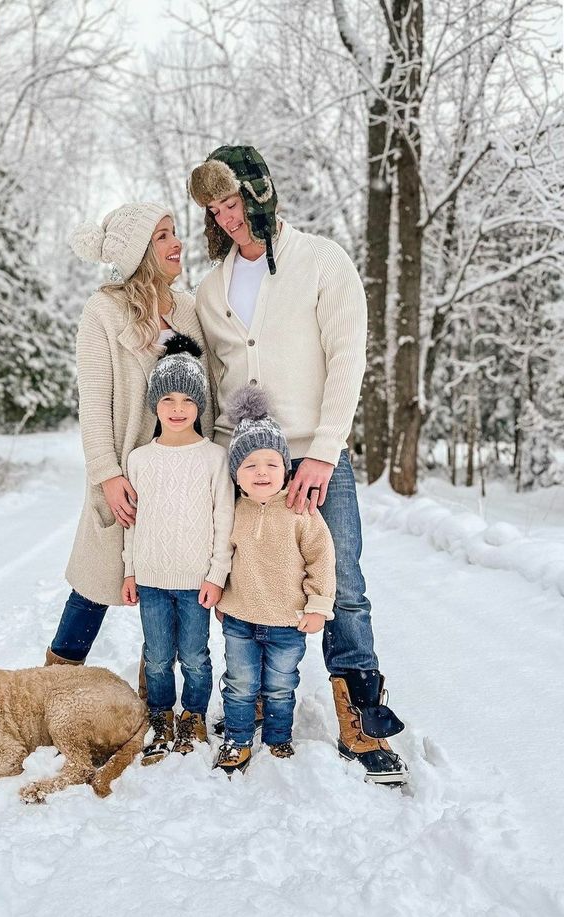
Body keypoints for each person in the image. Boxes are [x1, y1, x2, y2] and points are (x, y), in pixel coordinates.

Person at [188, 146, 408, 784]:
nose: (226, 218)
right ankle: (250, 694)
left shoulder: (322, 261)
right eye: (213, 209)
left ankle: (359, 715)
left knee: (342, 586)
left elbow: (347, 362)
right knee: (243, 581)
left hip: (314, 456)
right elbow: (210, 376)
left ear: (258, 195)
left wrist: (323, 453)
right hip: (239, 460)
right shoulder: (211, 286)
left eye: (232, 202)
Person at [46, 203, 214, 695]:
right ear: (139, 251)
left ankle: (154, 694)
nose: (176, 243)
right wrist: (107, 471)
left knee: (168, 578)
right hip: (125, 470)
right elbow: (94, 401)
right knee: (95, 583)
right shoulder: (103, 311)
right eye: (162, 236)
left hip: (180, 472)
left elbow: (207, 390)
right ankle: (56, 684)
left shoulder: (186, 309)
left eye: (174, 232)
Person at [121, 334, 234, 764]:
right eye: (166, 398)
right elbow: (132, 523)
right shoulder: (139, 459)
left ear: (200, 405)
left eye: (187, 399)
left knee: (195, 656)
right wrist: (130, 570)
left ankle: (194, 715)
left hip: (195, 581)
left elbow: (224, 519)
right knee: (157, 656)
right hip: (150, 577)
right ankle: (160, 715)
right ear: (154, 405)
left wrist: (216, 574)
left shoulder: (213, 458)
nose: (177, 408)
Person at [213, 386, 336, 775]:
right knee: (240, 683)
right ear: (236, 474)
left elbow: (322, 558)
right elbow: (221, 556)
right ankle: (237, 739)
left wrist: (318, 606)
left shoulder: (301, 511)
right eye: (249, 466)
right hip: (240, 619)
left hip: (288, 620)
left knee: (281, 686)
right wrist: (220, 595)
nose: (261, 473)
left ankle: (279, 739)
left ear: (286, 468)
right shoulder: (232, 512)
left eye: (271, 463)